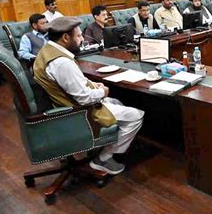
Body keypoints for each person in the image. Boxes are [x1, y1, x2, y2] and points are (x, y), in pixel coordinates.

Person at [33, 17, 144, 175]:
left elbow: (70, 83)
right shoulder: (62, 62)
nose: (82, 39)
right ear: (65, 38)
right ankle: (103, 158)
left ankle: (103, 145)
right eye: (78, 36)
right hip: (79, 114)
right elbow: (84, 98)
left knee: (117, 102)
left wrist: (92, 84)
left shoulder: (47, 51)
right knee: (136, 116)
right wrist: (102, 91)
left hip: (61, 106)